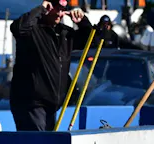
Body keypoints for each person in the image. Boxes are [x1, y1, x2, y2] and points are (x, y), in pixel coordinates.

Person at [9, 0, 92, 131]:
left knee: (47, 142)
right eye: (56, 9)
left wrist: (83, 22)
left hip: (52, 105)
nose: (59, 14)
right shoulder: (32, 30)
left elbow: (92, 41)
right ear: (48, 7)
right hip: (31, 102)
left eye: (63, 10)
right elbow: (17, 28)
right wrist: (41, 9)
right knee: (38, 141)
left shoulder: (64, 33)